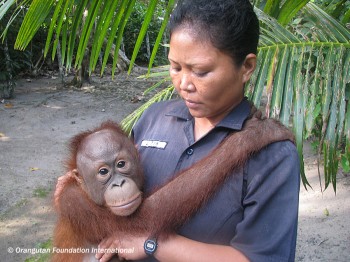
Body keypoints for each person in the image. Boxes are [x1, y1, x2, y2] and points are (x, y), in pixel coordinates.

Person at [58, 0, 300, 261]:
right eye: (175, 67)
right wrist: (72, 195)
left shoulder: (272, 156)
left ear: (246, 67)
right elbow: (124, 221)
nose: (184, 84)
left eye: (201, 71)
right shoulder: (154, 118)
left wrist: (154, 245)